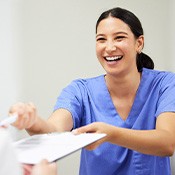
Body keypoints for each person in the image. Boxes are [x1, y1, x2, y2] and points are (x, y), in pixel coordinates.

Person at [9, 7, 175, 175]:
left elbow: (167, 142)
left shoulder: (165, 84)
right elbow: (54, 131)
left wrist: (111, 134)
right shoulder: (80, 91)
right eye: (101, 39)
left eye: (119, 38)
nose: (109, 48)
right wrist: (32, 121)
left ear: (139, 43)